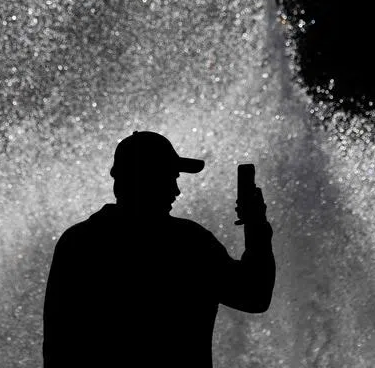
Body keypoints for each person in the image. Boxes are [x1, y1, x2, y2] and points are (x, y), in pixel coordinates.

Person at [42, 130, 276, 367]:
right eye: (170, 178)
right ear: (148, 179)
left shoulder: (77, 242)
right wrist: (256, 224)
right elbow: (254, 296)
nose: (177, 191)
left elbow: (56, 344)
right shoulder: (188, 243)